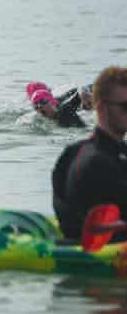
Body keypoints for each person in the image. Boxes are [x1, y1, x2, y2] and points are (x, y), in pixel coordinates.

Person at [51, 66, 127, 240]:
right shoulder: (92, 161)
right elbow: (85, 229)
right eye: (125, 106)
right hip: (97, 253)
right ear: (100, 108)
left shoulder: (119, 154)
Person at [25, 80, 90, 128]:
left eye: (43, 101)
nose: (39, 106)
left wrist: (83, 92)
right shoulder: (39, 119)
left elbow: (82, 90)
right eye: (35, 105)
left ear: (53, 102)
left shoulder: (65, 109)